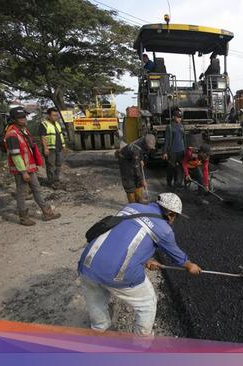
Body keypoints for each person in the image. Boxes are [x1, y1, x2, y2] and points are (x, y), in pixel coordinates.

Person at [78, 193, 201, 336]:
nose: (173, 221)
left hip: (87, 264)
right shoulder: (164, 230)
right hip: (116, 274)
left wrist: (145, 259)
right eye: (175, 217)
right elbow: (179, 258)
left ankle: (99, 327)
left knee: (95, 296)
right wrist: (191, 266)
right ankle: (141, 344)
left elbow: (122, 237)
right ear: (170, 213)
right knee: (147, 303)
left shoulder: (131, 207)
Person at [4, 106, 61, 226]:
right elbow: (15, 155)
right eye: (20, 117)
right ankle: (23, 217)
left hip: (30, 168)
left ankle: (47, 212)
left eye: (24, 116)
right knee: (21, 193)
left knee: (37, 189)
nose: (23, 119)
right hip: (22, 170)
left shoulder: (23, 131)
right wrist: (23, 172)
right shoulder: (12, 134)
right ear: (13, 119)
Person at [116, 134, 156, 204]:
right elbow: (136, 167)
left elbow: (142, 154)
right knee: (130, 180)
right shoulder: (135, 150)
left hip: (132, 157)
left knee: (138, 179)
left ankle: (139, 198)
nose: (150, 149)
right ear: (145, 144)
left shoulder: (143, 141)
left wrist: (141, 159)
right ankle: (132, 202)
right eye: (149, 147)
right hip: (125, 161)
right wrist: (142, 180)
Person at [38, 107, 67, 189]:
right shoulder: (44, 124)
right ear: (49, 116)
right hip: (50, 149)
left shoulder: (57, 124)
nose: (56, 117)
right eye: (54, 115)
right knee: (51, 166)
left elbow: (60, 135)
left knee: (58, 165)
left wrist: (63, 146)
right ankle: (51, 182)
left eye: (56, 115)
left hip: (59, 148)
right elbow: (42, 137)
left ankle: (56, 180)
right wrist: (45, 148)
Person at [163, 109, 186, 189]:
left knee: (179, 168)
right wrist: (165, 152)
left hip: (181, 151)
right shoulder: (169, 127)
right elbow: (167, 140)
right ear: (173, 117)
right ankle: (169, 183)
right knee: (171, 168)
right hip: (172, 151)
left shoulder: (182, 126)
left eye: (180, 117)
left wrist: (185, 149)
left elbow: (184, 139)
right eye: (178, 117)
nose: (179, 119)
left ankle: (177, 183)